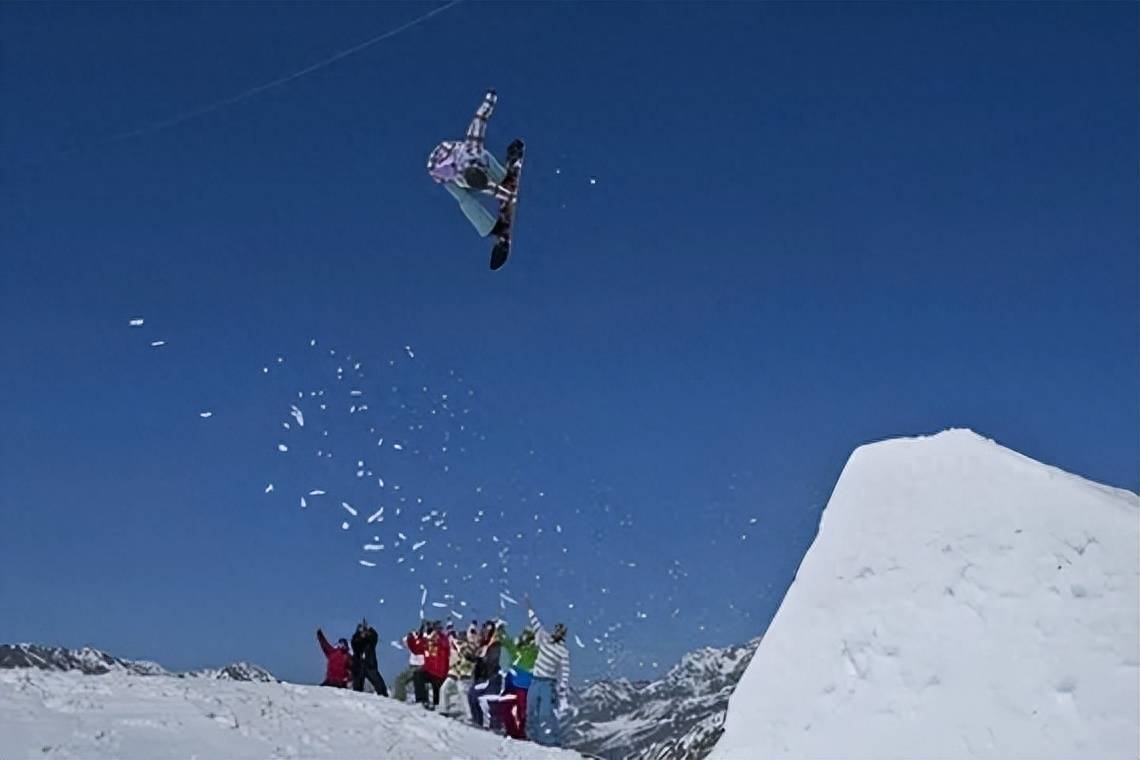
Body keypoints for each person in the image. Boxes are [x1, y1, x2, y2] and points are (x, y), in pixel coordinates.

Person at [427, 89, 524, 248]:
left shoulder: (473, 147)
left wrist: (490, 100)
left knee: (484, 157)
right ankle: (491, 228)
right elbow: (488, 188)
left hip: (462, 158)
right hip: (445, 174)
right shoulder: (455, 176)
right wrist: (507, 196)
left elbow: (480, 118)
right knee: (464, 198)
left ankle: (501, 177)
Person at [524, 595, 571, 746]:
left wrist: (562, 686)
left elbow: (565, 670)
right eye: (557, 629)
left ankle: (552, 742)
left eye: (560, 631)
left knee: (546, 713)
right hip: (536, 680)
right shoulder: (544, 638)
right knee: (531, 710)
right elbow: (536, 623)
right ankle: (533, 737)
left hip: (547, 683)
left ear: (563, 635)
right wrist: (529, 608)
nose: (557, 632)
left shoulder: (563, 651)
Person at [498, 624, 538, 740]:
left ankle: (516, 732)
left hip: (520, 683)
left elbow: (509, 644)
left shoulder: (527, 651)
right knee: (517, 708)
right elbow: (509, 644)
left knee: (516, 708)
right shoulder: (527, 650)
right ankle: (515, 731)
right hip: (519, 682)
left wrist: (501, 632)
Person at [467, 620, 505, 730]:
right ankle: (478, 721)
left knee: (492, 703)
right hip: (482, 677)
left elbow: (493, 661)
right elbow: (478, 657)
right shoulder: (483, 645)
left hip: (492, 677)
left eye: (488, 631)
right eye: (484, 631)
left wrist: (482, 661)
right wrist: (473, 658)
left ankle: (496, 726)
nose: (485, 634)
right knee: (473, 696)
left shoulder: (495, 645)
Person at [409, 620, 450, 708]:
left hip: (441, 672)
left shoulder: (443, 639)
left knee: (438, 694)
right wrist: (411, 639)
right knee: (418, 675)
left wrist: (435, 635)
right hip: (430, 670)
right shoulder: (426, 641)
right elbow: (416, 649)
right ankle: (422, 700)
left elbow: (444, 644)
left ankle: (440, 707)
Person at [440, 623, 477, 718]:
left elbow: (472, 658)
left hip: (464, 674)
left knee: (462, 692)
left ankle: (470, 715)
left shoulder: (469, 647)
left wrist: (467, 654)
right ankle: (443, 710)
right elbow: (450, 635)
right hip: (455, 672)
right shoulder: (455, 646)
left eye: (462, 638)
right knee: (444, 688)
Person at [350, 619, 388, 696]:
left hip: (370, 665)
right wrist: (359, 634)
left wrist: (368, 630)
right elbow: (354, 643)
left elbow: (375, 636)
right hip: (359, 666)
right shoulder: (356, 639)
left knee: (379, 684)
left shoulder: (370, 641)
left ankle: (384, 698)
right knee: (357, 688)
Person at [393, 621, 427, 703]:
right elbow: (403, 642)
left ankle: (400, 700)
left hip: (419, 666)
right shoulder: (412, 639)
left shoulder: (424, 639)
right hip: (414, 666)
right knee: (401, 680)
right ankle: (401, 698)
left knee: (401, 680)